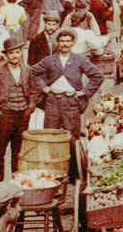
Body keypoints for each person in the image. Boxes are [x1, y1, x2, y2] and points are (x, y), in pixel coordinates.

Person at [30, 29, 104, 158]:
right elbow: (31, 72)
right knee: (51, 135)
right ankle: (54, 165)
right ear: (57, 43)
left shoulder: (79, 60)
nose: (65, 44)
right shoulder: (49, 60)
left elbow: (97, 76)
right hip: (52, 102)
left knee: (72, 137)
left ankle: (73, 168)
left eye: (68, 41)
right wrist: (44, 87)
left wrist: (84, 92)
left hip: (71, 102)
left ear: (72, 43)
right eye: (62, 41)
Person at [0, 36, 38, 183]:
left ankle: (17, 185)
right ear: (6, 55)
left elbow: (34, 92)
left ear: (21, 52)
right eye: (11, 53)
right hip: (5, 116)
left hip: (23, 116)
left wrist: (30, 107)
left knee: (18, 153)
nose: (14, 56)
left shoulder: (28, 70)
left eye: (17, 52)